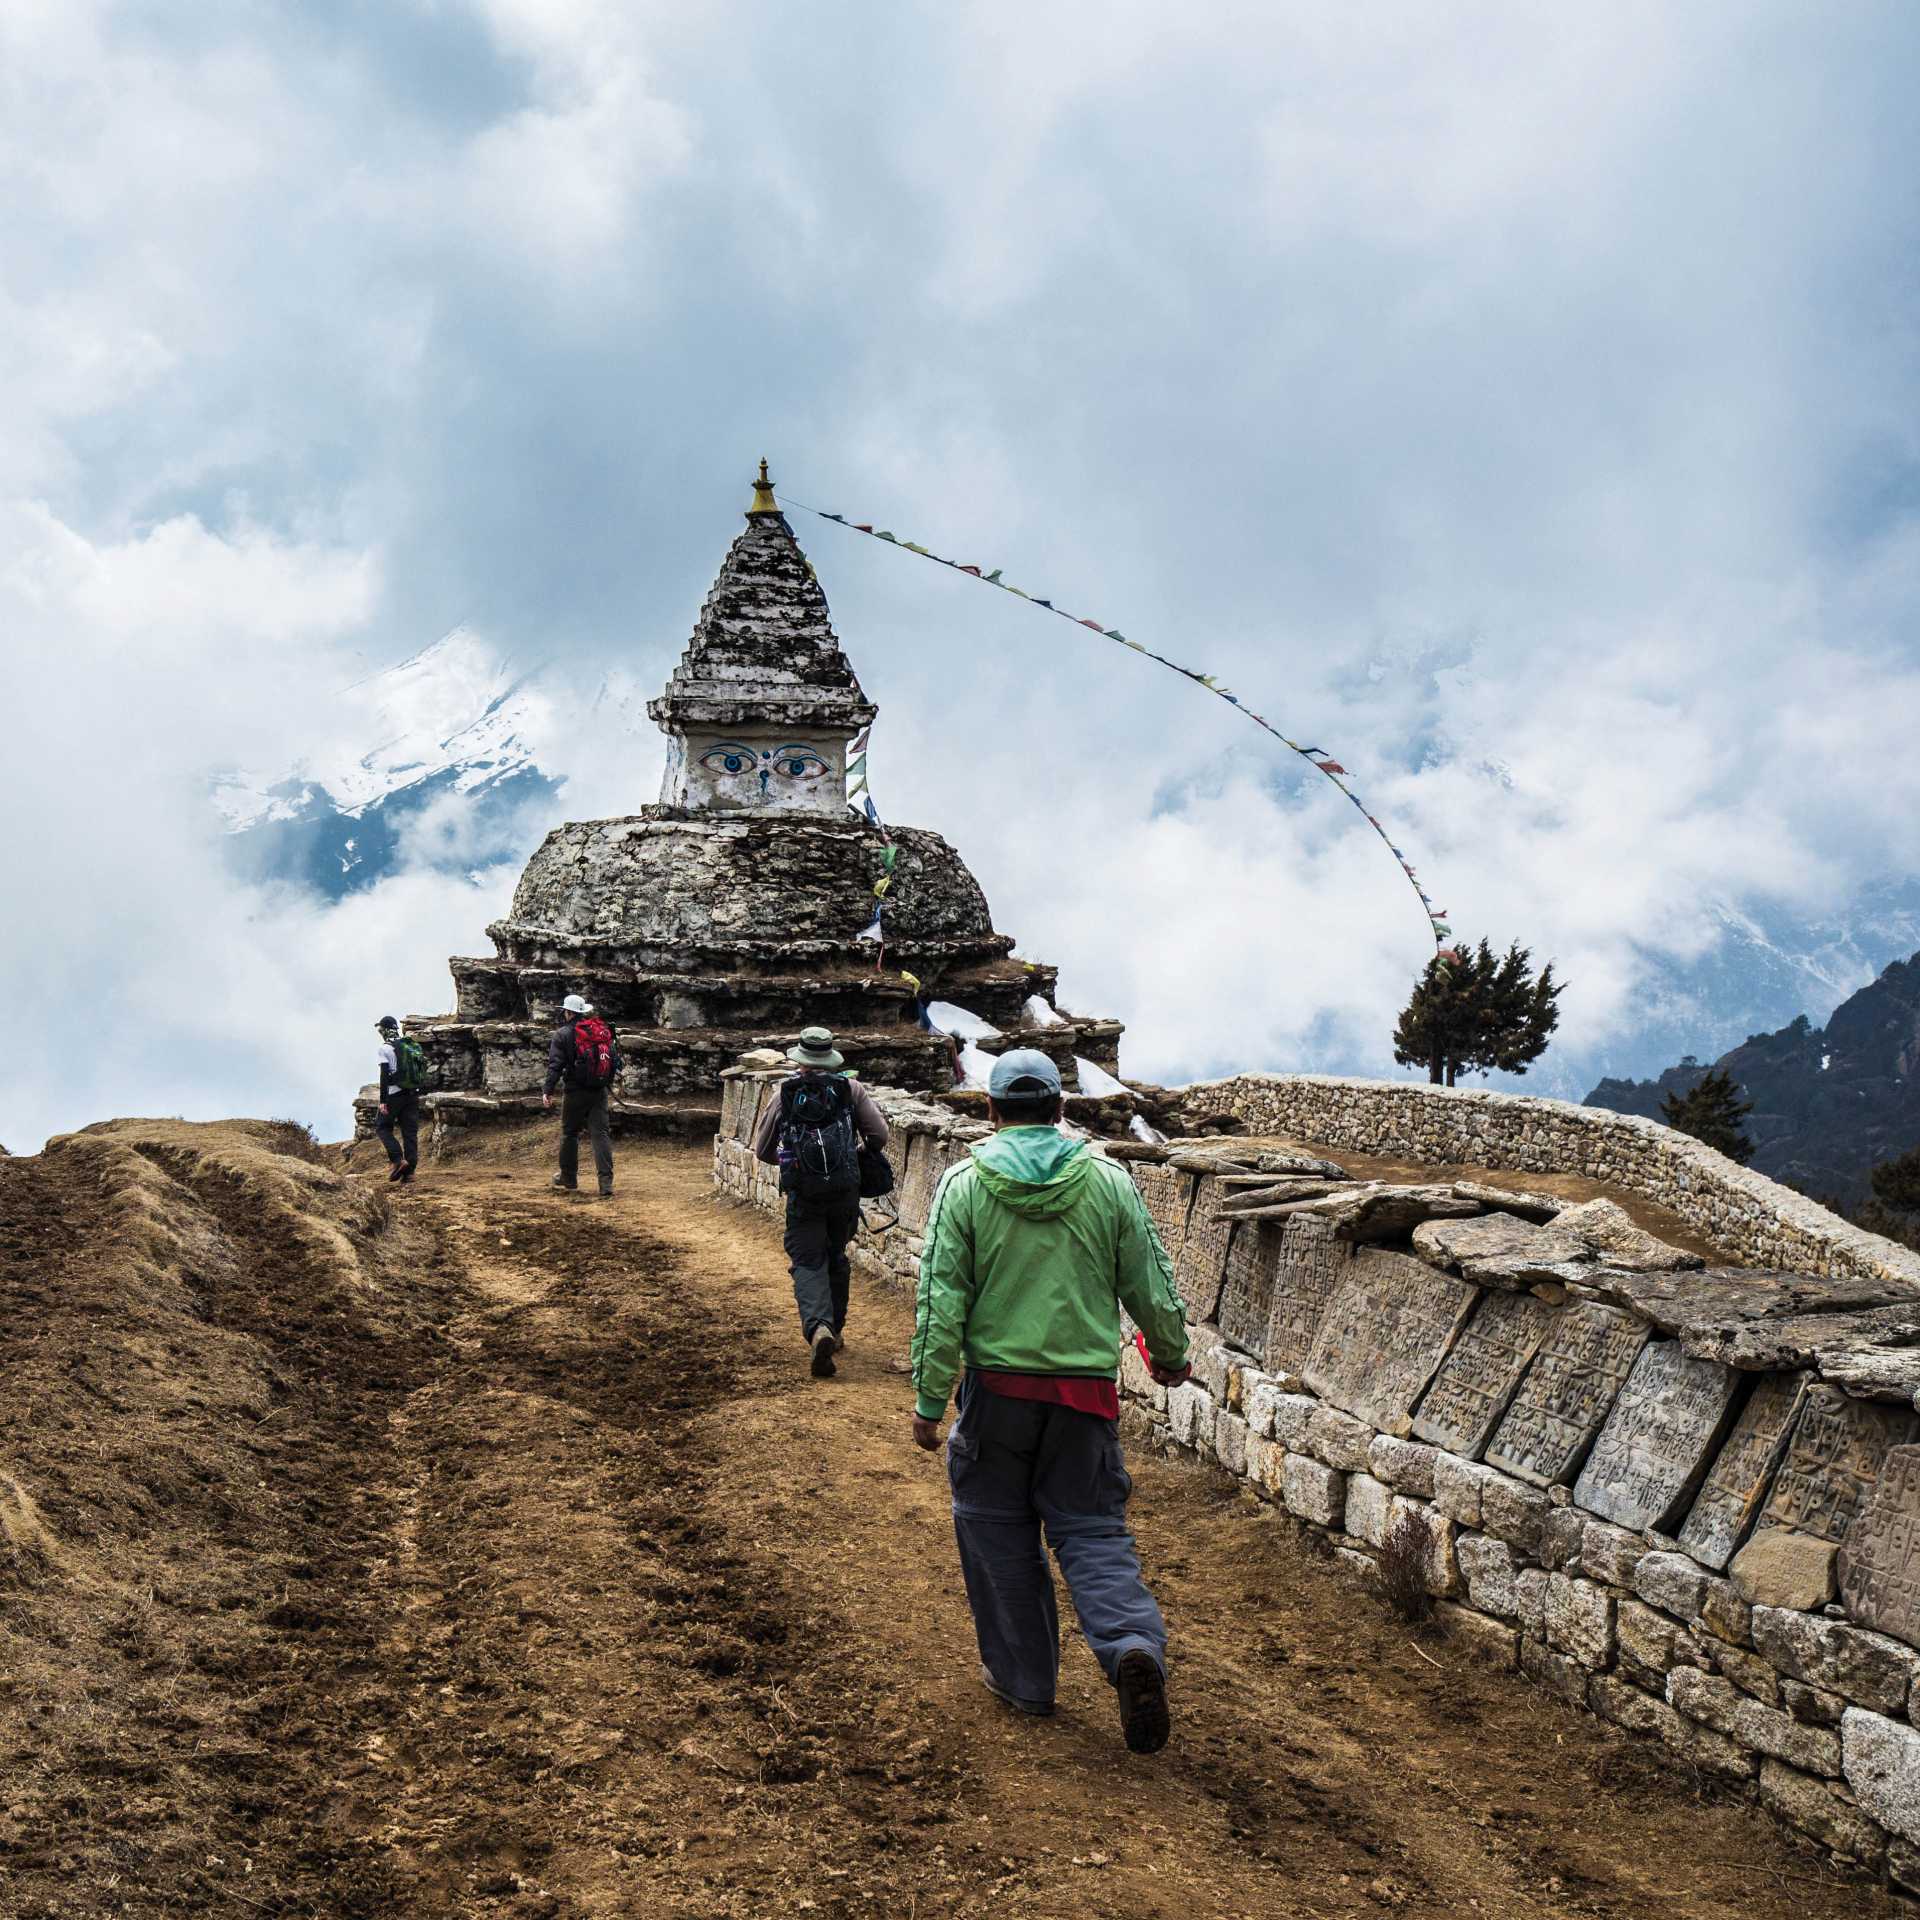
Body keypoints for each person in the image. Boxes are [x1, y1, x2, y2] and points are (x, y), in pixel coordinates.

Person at [909, 1048, 1192, 1754]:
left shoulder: (963, 1186)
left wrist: (928, 1399)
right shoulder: (1109, 1181)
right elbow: (1150, 1282)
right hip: (1085, 1397)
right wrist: (1172, 1354)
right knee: (1092, 1529)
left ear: (993, 1110)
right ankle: (1131, 1646)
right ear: (1061, 1110)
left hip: (997, 1393)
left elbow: (943, 1300)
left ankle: (1025, 1682)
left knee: (994, 1527)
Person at [752, 1025, 890, 1378]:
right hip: (845, 1191)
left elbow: (764, 1150)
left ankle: (819, 1328)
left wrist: (796, 1162)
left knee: (807, 1259)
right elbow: (879, 1135)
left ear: (800, 1059)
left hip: (805, 1195)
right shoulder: (850, 1089)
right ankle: (837, 1329)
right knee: (835, 1255)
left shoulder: (785, 1093)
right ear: (830, 1058)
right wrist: (850, 1155)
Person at [544, 993, 621, 1197]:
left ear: (568, 1012)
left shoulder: (562, 1034)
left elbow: (555, 1066)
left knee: (570, 1133)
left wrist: (548, 1090)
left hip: (576, 1091)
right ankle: (606, 1184)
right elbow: (614, 1059)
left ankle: (568, 1177)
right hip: (599, 1090)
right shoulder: (599, 1031)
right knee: (600, 1134)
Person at [373, 1014, 423, 1183]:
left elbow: (384, 1076)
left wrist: (383, 1101)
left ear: (384, 1030)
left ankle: (397, 1160)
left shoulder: (385, 1049)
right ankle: (409, 1173)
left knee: (382, 1126)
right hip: (412, 1094)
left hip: (394, 1095)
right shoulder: (409, 1045)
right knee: (410, 1133)